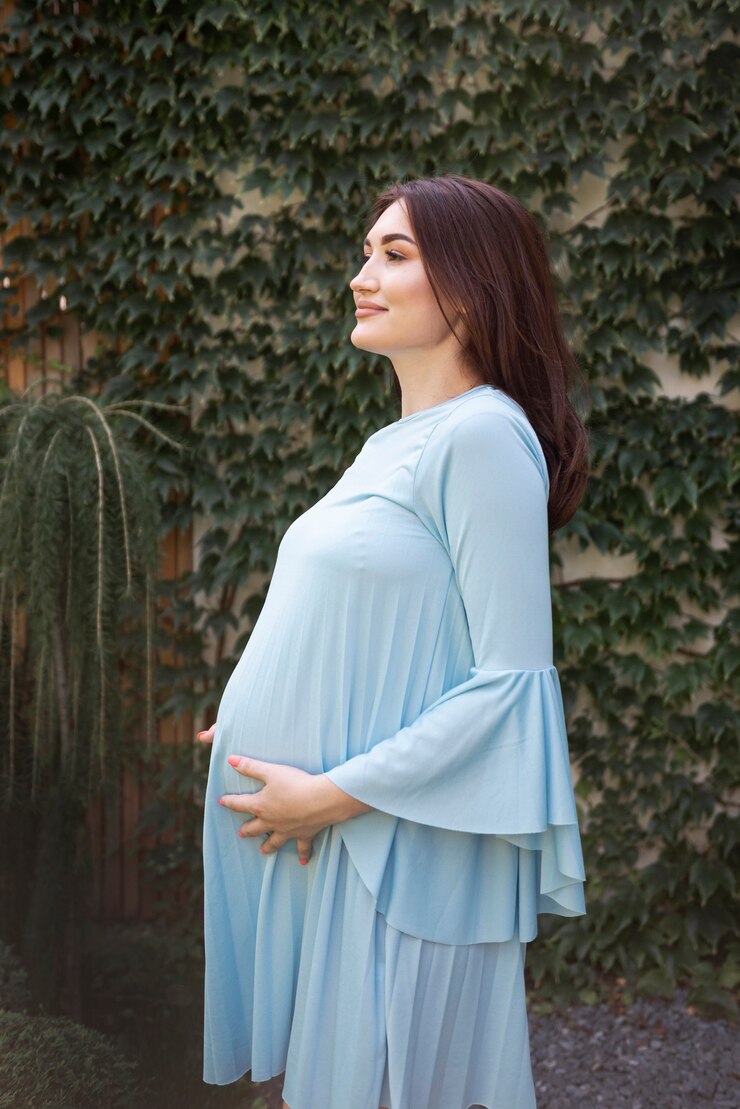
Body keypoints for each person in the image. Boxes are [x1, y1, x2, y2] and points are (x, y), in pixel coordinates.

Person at [198, 173, 590, 1109]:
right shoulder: (394, 442)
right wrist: (268, 712)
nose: (360, 276)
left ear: (473, 283)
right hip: (335, 843)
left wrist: (328, 792)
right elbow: (376, 627)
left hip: (395, 855)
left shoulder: (484, 436)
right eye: (368, 251)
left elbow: (510, 687)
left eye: (394, 254)